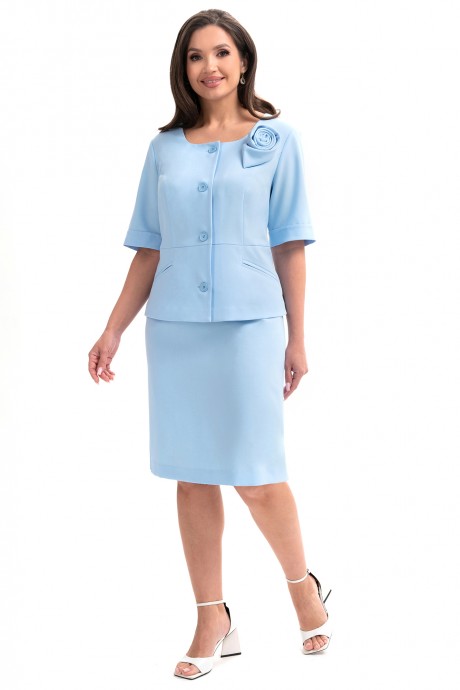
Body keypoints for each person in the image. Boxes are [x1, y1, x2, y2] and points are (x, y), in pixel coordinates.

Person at [88, 8, 332, 681]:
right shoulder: (164, 149)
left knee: (257, 474)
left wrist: (298, 337)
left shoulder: (279, 141)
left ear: (244, 60)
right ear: (184, 68)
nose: (210, 67)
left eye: (221, 53)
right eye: (196, 56)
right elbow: (148, 248)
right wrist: (113, 328)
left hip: (253, 327)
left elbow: (291, 244)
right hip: (175, 331)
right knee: (192, 475)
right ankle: (211, 616)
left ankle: (302, 589)